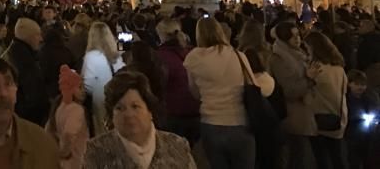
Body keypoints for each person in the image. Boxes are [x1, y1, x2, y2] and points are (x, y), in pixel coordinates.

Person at [83, 71, 197, 168]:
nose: (128, 114)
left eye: (135, 106)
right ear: (111, 116)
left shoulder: (177, 146)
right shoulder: (94, 151)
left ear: (150, 111)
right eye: (119, 108)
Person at [183, 16, 255, 169]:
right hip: (239, 120)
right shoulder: (238, 56)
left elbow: (194, 92)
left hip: (211, 121)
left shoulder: (193, 58)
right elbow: (252, 84)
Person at [270, 20, 318, 167]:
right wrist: (309, 79)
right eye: (292, 37)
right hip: (292, 114)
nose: (297, 39)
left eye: (298, 35)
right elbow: (290, 90)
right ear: (284, 39)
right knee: (298, 156)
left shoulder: (300, 53)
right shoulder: (279, 58)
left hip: (303, 110)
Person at [307, 30, 349, 168]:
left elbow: (307, 92)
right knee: (337, 157)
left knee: (322, 159)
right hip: (338, 117)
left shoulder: (316, 69)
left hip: (320, 118)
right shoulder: (339, 68)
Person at [2, 17, 48, 127]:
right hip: (24, 119)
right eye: (37, 34)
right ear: (28, 37)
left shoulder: (16, 52)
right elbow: (33, 95)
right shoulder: (23, 59)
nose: (41, 39)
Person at [81, 21, 125, 134]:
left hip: (100, 98)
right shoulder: (116, 55)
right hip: (117, 95)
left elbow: (88, 85)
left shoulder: (91, 56)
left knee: (103, 130)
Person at [47, 64, 89, 169]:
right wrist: (64, 152)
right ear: (70, 89)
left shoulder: (59, 107)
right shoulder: (76, 110)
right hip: (77, 162)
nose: (83, 90)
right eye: (79, 87)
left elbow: (48, 131)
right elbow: (69, 134)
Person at [345, 69, 378, 169]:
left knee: (368, 159)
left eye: (363, 84)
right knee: (353, 159)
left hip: (369, 135)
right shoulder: (346, 99)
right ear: (349, 84)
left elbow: (376, 110)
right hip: (352, 134)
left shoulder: (369, 97)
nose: (361, 87)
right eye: (357, 84)